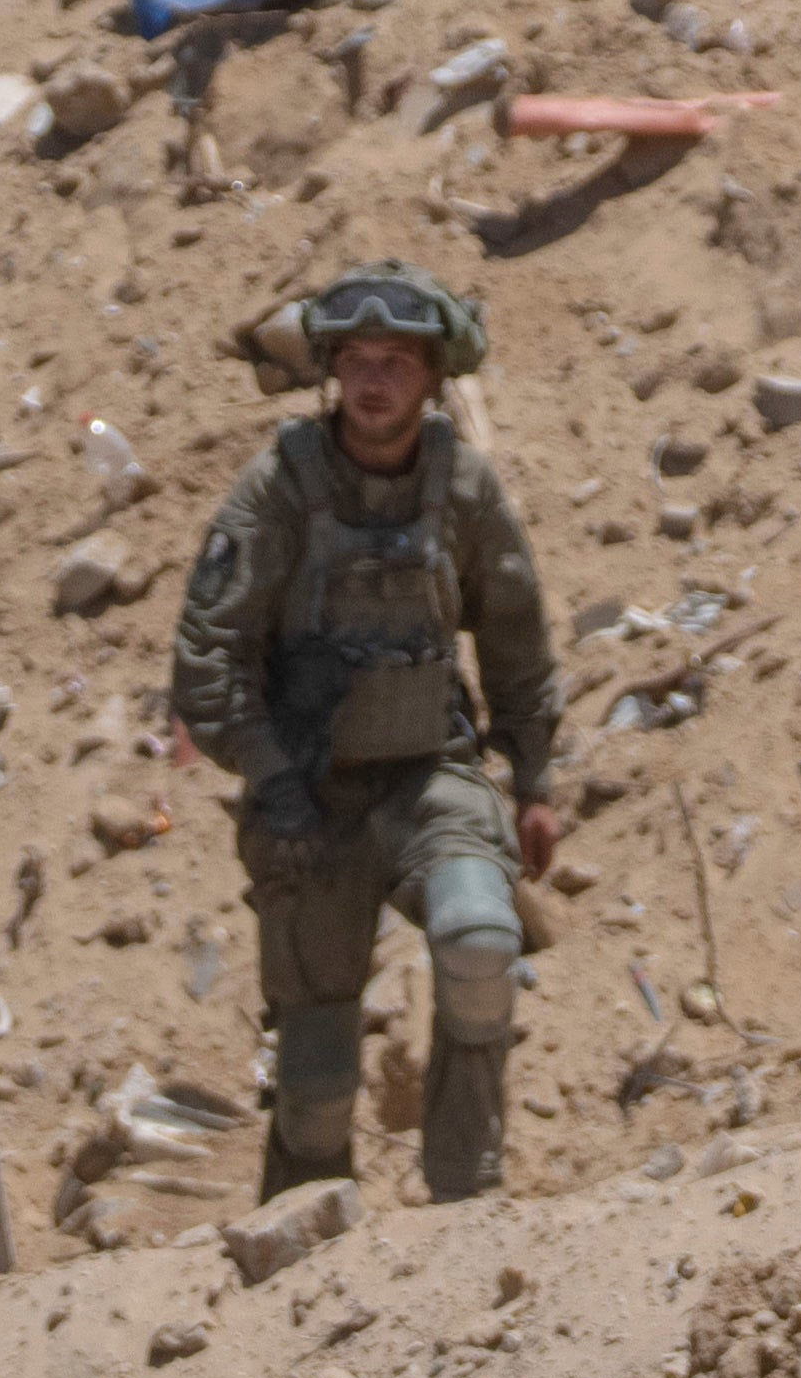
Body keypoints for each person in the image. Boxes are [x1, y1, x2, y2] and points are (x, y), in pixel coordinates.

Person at [165, 265, 569, 1204]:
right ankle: (303, 1248)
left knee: (478, 943)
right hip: (312, 801)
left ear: (432, 377)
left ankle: (467, 1201)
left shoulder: (461, 484)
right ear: (331, 371)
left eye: (396, 362)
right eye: (356, 360)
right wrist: (270, 774)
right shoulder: (278, 486)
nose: (375, 381)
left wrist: (537, 780)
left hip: (434, 777)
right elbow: (205, 658)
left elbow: (516, 635)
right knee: (316, 1083)